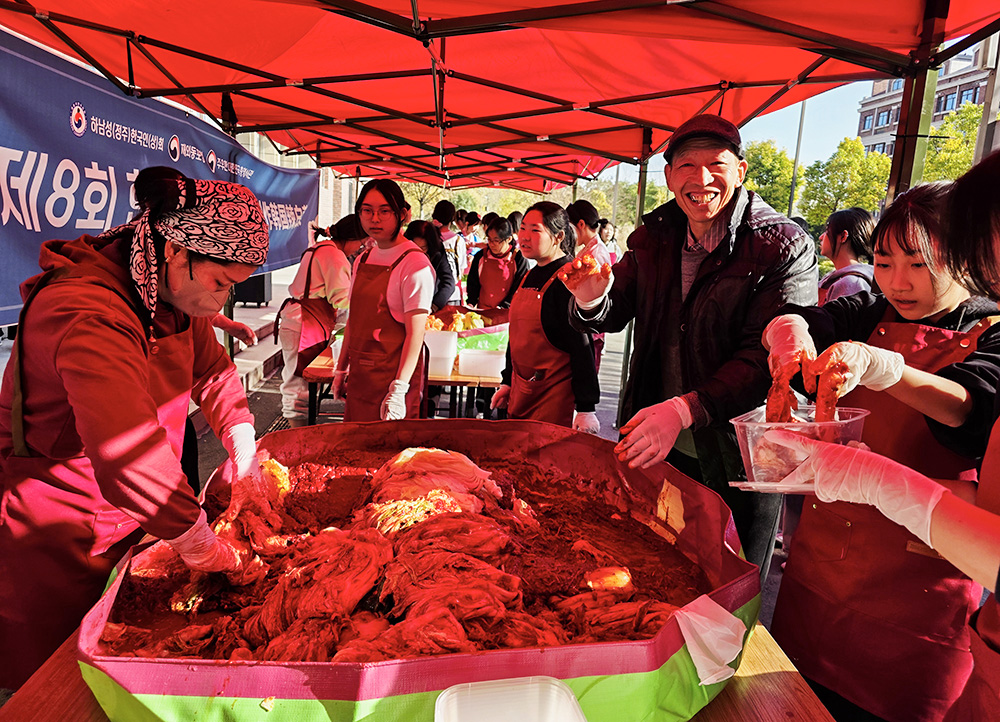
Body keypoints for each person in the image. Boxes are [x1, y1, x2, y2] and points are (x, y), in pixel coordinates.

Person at [0, 170, 270, 690]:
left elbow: (211, 369)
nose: (220, 304)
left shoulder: (168, 292)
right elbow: (127, 454)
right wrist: (195, 539)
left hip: (138, 510)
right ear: (175, 252)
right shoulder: (86, 311)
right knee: (57, 683)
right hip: (61, 518)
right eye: (220, 284)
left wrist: (239, 434)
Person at [764, 150, 1000, 721]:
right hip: (821, 567)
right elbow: (803, 321)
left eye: (919, 265)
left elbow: (970, 407)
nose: (899, 283)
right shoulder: (866, 310)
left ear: (966, 258)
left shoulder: (989, 331)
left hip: (919, 585)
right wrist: (787, 334)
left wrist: (889, 371)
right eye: (886, 263)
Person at [563, 114, 817, 582]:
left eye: (716, 164)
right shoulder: (655, 235)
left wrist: (683, 410)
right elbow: (615, 312)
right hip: (659, 444)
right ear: (669, 176)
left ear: (740, 171)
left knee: (732, 585)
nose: (700, 180)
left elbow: (766, 363)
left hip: (740, 452)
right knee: (656, 569)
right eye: (686, 166)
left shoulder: (782, 245)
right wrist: (591, 296)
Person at [491, 202, 600, 434]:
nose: (524, 237)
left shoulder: (568, 279)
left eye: (535, 230)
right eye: (522, 228)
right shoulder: (530, 273)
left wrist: (585, 407)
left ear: (558, 236)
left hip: (552, 399)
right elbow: (517, 336)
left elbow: (582, 345)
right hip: (523, 392)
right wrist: (508, 381)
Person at [332, 179, 434, 421]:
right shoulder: (363, 259)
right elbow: (354, 320)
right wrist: (340, 369)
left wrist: (398, 389)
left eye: (384, 211)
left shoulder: (415, 264)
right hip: (360, 377)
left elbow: (415, 334)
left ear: (401, 214)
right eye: (367, 211)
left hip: (393, 378)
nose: (374, 218)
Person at [275, 215, 355, 427]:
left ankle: (300, 431)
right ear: (352, 238)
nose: (359, 249)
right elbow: (342, 297)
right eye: (361, 243)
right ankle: (296, 436)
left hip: (300, 318)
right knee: (298, 381)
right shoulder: (333, 255)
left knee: (297, 379)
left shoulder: (319, 248)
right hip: (305, 321)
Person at [465, 217, 529, 310]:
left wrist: (503, 306)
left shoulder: (518, 258)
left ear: (509, 239)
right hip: (483, 311)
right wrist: (471, 302)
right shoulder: (481, 256)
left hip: (507, 312)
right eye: (489, 239)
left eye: (496, 240)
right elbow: (473, 283)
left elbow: (519, 289)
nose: (491, 244)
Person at [818, 207, 876, 304]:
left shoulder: (851, 284)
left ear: (843, 236)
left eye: (827, 231)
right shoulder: (839, 278)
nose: (821, 237)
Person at [405, 220, 456, 312]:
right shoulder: (401, 253)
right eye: (414, 247)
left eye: (423, 248)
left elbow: (448, 282)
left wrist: (435, 305)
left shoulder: (437, 252)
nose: (418, 251)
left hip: (429, 305)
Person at [433, 200, 465, 305]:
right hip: (453, 294)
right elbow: (461, 268)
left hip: (432, 293)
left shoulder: (429, 239)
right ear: (452, 218)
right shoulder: (458, 241)